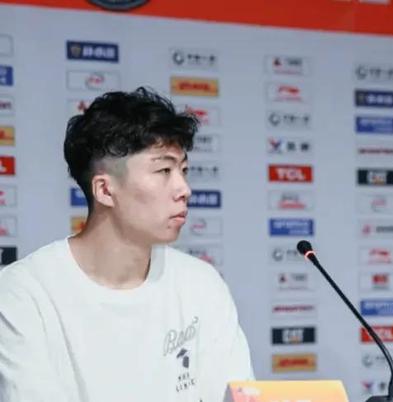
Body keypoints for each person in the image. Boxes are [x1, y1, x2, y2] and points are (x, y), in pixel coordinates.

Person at [0, 88, 253, 401]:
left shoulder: (202, 284)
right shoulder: (23, 293)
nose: (184, 189)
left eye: (184, 170)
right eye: (164, 170)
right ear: (105, 190)